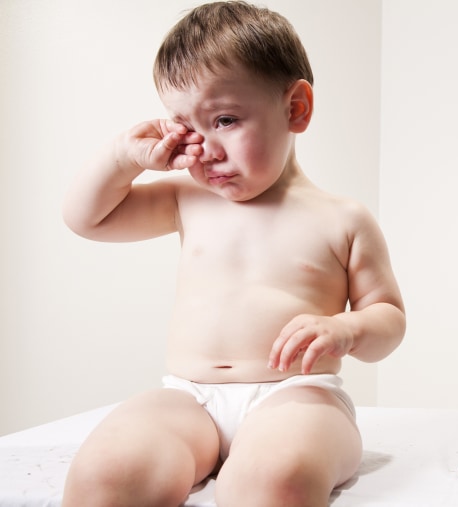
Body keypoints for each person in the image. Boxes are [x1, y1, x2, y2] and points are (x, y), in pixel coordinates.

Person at [60, 2, 405, 506]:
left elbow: (388, 320)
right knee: (105, 472)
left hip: (298, 397)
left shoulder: (342, 218)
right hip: (189, 397)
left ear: (295, 109)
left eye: (224, 119)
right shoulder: (187, 198)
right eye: (186, 128)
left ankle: (265, 464)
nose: (207, 149)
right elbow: (86, 219)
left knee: (274, 478)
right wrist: (123, 157)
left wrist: (347, 330)